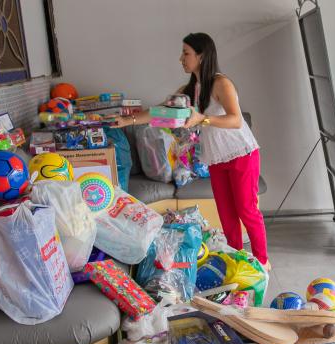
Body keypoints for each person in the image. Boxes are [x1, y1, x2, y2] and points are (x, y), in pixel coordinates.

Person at [109, 33, 269, 269]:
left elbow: (235, 120)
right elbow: (159, 111)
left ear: (201, 56)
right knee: (226, 215)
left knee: (246, 210)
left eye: (186, 53)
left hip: (241, 154)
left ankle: (262, 262)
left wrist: (201, 119)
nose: (181, 58)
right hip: (217, 159)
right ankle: (236, 260)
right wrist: (126, 121)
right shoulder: (190, 89)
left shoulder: (221, 83)